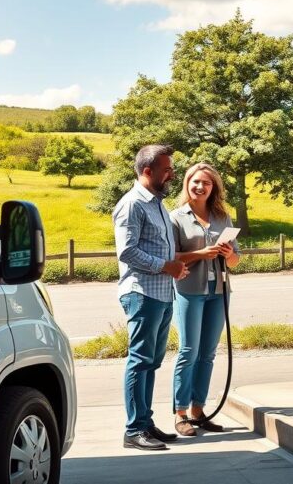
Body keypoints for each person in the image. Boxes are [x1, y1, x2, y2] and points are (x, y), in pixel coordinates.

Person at [113, 144, 189, 451]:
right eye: (166, 170)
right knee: (140, 361)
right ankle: (134, 430)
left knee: (151, 362)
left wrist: (173, 266)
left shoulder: (157, 203)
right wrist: (165, 266)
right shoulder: (132, 204)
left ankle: (145, 423)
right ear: (148, 171)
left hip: (162, 294)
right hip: (141, 294)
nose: (172, 174)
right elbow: (127, 252)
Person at [169, 162, 240, 436]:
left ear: (214, 187)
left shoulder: (223, 217)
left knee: (208, 353)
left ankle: (198, 411)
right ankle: (180, 413)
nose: (200, 187)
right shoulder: (176, 218)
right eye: (195, 182)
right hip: (189, 290)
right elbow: (171, 257)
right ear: (187, 183)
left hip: (219, 291)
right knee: (189, 351)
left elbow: (235, 260)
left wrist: (227, 254)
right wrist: (201, 254)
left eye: (206, 183)